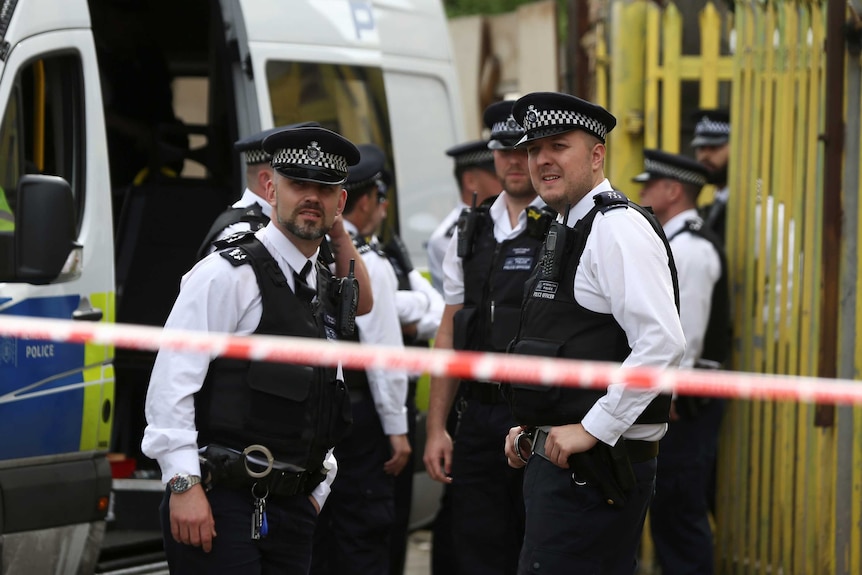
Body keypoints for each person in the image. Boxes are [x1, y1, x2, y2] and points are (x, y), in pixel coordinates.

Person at [141, 125, 374, 575]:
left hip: (291, 510)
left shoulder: (326, 286)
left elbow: (327, 395)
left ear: (340, 203)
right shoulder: (227, 274)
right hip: (219, 502)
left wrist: (317, 488)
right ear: (270, 187)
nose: (311, 197)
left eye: (324, 188)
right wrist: (184, 483)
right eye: (297, 183)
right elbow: (172, 384)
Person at [502, 92, 685, 574]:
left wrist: (592, 427)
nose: (542, 160)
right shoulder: (570, 224)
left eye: (558, 146)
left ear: (597, 154)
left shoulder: (616, 229)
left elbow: (663, 341)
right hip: (564, 470)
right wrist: (534, 428)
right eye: (533, 149)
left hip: (595, 474)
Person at [423, 100, 551, 575]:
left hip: (540, 414)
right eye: (505, 152)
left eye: (525, 151)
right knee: (477, 546)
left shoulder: (566, 226)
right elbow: (449, 330)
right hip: (477, 417)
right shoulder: (470, 232)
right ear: (491, 156)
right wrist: (437, 427)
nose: (515, 163)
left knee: (540, 549)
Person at [311, 143, 411, 575]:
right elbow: (384, 354)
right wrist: (398, 429)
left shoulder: (310, 252)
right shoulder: (364, 261)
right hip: (360, 419)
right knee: (362, 533)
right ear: (363, 199)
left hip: (317, 416)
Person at [634, 149, 731, 575]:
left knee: (679, 512)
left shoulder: (690, 248)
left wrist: (668, 390)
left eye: (648, 185)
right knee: (669, 510)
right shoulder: (674, 242)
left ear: (672, 190)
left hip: (684, 403)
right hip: (673, 399)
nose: (641, 192)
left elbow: (685, 332)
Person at [363, 153, 446, 575]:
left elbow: (435, 311)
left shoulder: (386, 252)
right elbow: (374, 331)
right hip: (366, 413)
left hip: (395, 405)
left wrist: (392, 310)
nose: (384, 209)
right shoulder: (346, 253)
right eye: (379, 199)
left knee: (388, 529)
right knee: (363, 535)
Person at [196, 122, 320, 258]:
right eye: (299, 182)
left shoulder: (297, 223)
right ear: (267, 180)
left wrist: (339, 238)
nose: (312, 195)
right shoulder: (242, 233)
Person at [426, 139, 502, 293]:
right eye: (496, 173)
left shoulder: (506, 218)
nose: (504, 177)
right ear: (470, 181)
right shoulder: (448, 237)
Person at [691, 109, 730, 243]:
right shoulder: (717, 201)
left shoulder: (759, 207)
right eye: (701, 148)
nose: (704, 156)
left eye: (714, 147)